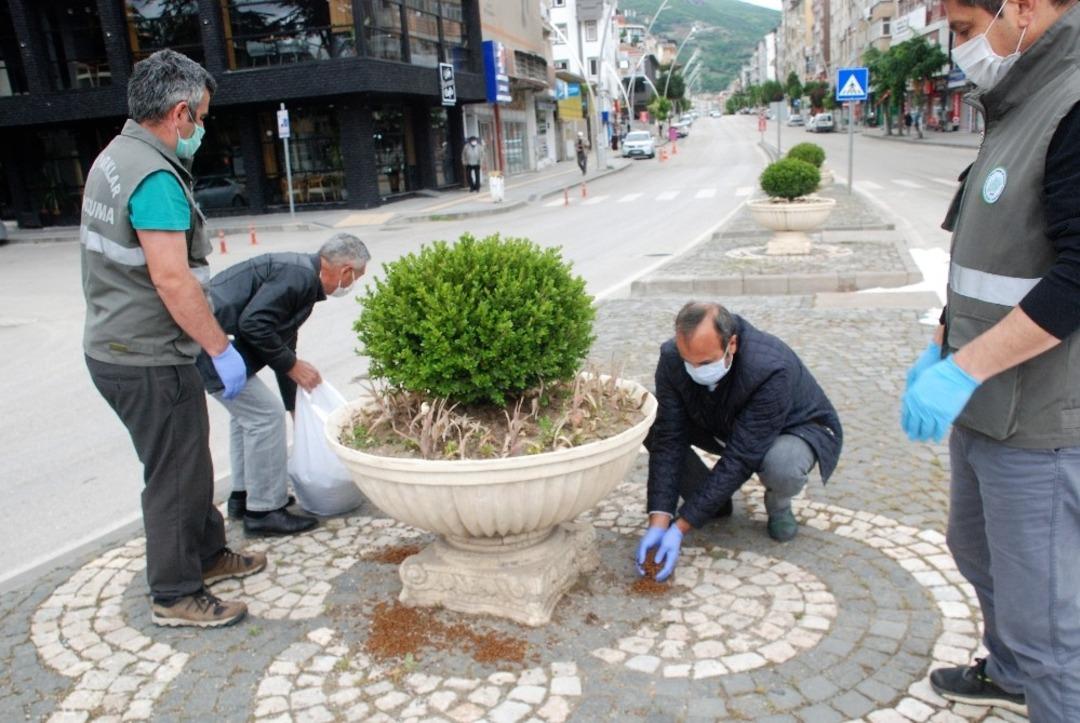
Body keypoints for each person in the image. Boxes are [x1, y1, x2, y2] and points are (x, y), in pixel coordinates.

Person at [901, 0, 1080, 718]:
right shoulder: (1018, 102)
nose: (961, 48)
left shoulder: (1068, 105)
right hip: (982, 407)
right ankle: (1008, 670)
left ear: (1026, 11)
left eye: (968, 30)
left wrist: (963, 368)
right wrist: (940, 348)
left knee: (1049, 629)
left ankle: (1041, 683)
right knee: (971, 546)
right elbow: (987, 258)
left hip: (1038, 420)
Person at [81, 49, 264, 629]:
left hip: (121, 346)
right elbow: (170, 277)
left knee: (189, 463)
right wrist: (219, 347)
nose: (202, 129)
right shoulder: (155, 176)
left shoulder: (116, 156)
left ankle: (208, 554)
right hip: (148, 356)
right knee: (174, 476)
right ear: (180, 113)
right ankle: (176, 594)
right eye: (202, 118)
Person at [636, 302, 843, 582]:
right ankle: (711, 503)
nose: (696, 370)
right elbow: (670, 440)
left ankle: (779, 506)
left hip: (790, 429)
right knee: (653, 421)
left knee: (782, 465)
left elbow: (741, 456)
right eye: (689, 362)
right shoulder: (672, 357)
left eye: (705, 363)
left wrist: (680, 528)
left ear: (731, 343)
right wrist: (659, 521)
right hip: (718, 419)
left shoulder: (771, 367)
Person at [195, 234, 371, 535]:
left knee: (247, 419)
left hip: (217, 345)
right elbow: (255, 324)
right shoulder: (299, 276)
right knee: (264, 417)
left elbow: (284, 341)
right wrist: (291, 366)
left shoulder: (301, 276)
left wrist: (294, 404)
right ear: (344, 271)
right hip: (213, 346)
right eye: (354, 277)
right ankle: (264, 512)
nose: (349, 284)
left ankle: (243, 496)